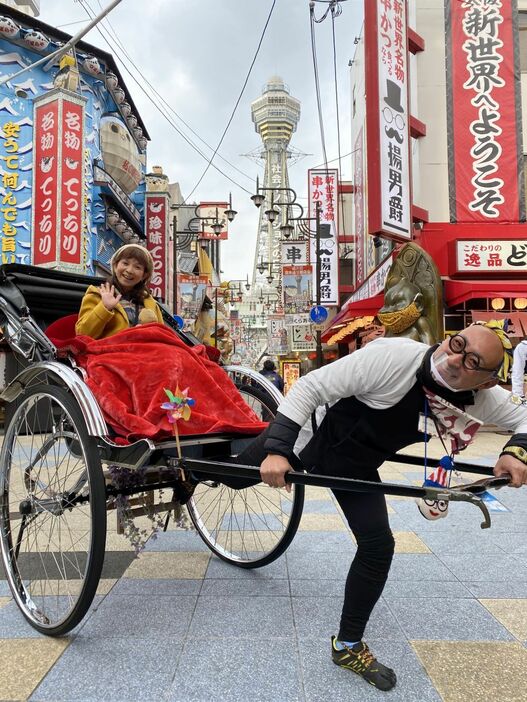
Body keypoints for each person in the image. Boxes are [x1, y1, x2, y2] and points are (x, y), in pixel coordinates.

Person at [236, 321, 527, 692]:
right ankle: (189, 475)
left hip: (356, 463)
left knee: (378, 545)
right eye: (456, 344)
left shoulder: (481, 398)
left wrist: (515, 451)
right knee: (231, 475)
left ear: (486, 382)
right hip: (311, 436)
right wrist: (277, 449)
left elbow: (523, 415)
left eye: (472, 361)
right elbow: (310, 386)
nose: (455, 360)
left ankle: (347, 645)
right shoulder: (391, 355)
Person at [76, 244, 164, 339]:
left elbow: (162, 339)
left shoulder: (150, 303)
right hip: (108, 352)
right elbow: (83, 335)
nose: (130, 270)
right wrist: (104, 308)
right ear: (115, 265)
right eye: (125, 263)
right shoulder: (97, 294)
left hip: (143, 352)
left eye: (137, 267)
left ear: (144, 275)